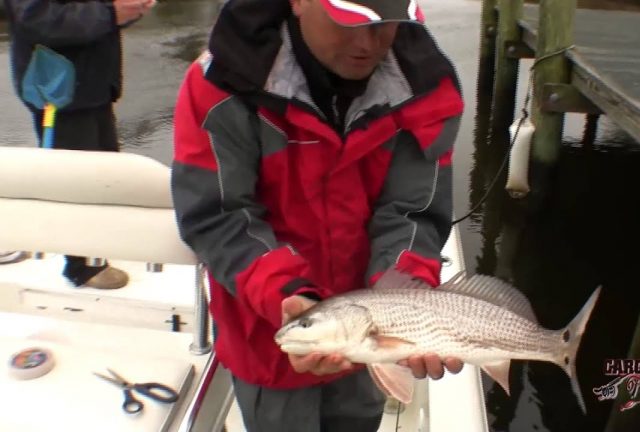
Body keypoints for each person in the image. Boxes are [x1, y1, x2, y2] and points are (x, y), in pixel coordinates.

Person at [171, 0, 465, 430]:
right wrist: (286, 295)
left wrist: (409, 294)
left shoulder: (426, 90)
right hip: (269, 340)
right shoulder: (220, 85)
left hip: (375, 335)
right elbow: (219, 216)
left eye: (386, 24)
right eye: (348, 22)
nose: (368, 44)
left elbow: (412, 212)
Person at [2, 0, 155, 289]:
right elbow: (37, 18)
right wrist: (110, 13)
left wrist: (130, 9)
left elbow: (102, 14)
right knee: (77, 180)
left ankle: (97, 253)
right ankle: (80, 267)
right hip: (58, 91)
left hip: (91, 88)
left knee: (106, 174)